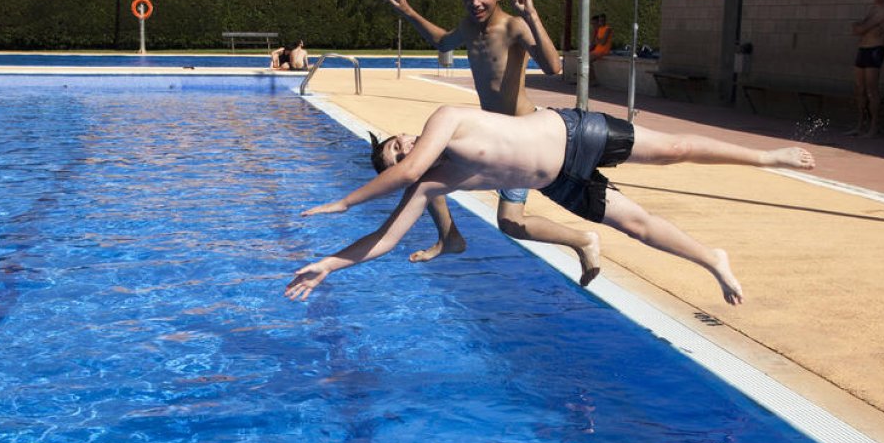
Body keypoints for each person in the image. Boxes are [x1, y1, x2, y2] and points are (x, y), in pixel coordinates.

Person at [286, 105, 816, 306]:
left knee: (674, 150)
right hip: (558, 180)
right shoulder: (433, 182)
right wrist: (328, 265)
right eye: (397, 155)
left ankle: (767, 158)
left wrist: (343, 202)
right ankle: (713, 259)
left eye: (396, 144)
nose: (402, 150)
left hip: (573, 133)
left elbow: (401, 171)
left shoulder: (443, 118)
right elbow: (386, 238)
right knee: (637, 226)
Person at [384, 0, 565, 264]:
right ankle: (449, 237)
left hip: (520, 137)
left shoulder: (513, 27)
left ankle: (582, 241)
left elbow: (553, 67)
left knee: (510, 222)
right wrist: (407, 10)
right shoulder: (469, 27)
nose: (475, 3)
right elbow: (442, 42)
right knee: (422, 170)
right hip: (488, 131)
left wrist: (531, 15)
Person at [848, 0, 884, 137]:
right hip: (863, 49)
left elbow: (867, 27)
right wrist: (863, 27)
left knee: (871, 89)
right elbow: (858, 28)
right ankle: (860, 124)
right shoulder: (873, 8)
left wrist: (863, 27)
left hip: (875, 50)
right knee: (859, 89)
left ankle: (873, 127)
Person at [589, 14, 613, 86]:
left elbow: (603, 42)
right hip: (597, 50)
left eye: (602, 20)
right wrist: (599, 40)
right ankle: (585, 79)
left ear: (605, 20)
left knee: (587, 61)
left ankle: (593, 80)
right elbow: (594, 41)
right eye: (599, 21)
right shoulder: (599, 29)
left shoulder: (608, 29)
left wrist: (598, 40)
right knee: (582, 59)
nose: (601, 22)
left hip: (603, 51)